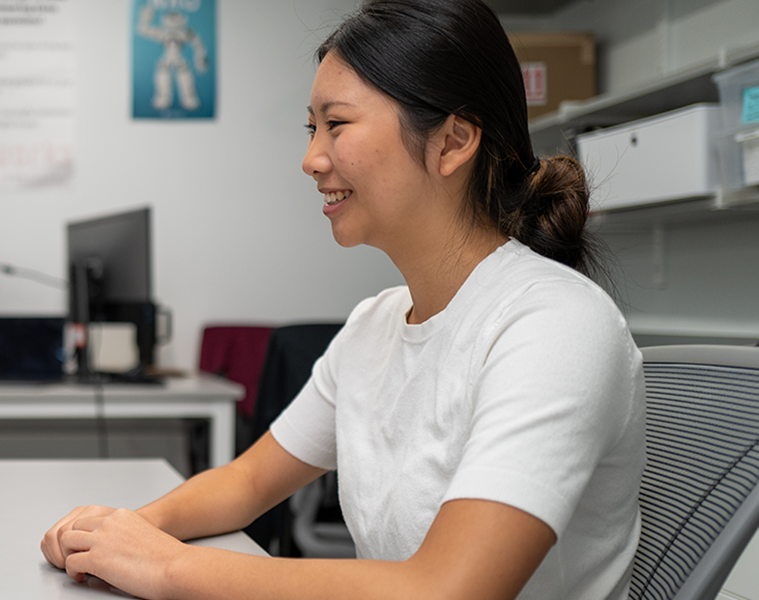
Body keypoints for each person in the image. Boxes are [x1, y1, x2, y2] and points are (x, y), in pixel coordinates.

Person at [39, 1, 645, 599]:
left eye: (337, 124)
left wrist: (167, 568)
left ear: (453, 141)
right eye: (312, 128)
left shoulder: (557, 325)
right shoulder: (374, 325)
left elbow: (450, 588)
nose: (311, 159)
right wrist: (121, 532)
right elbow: (248, 482)